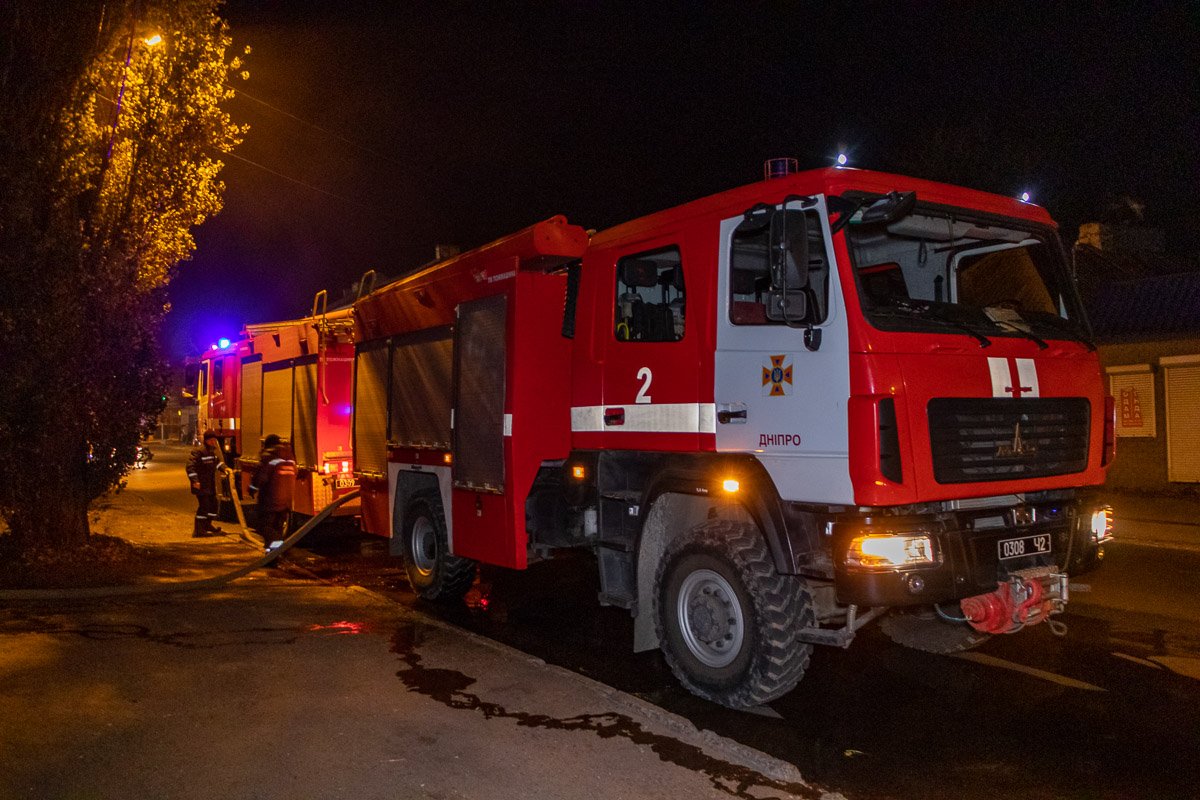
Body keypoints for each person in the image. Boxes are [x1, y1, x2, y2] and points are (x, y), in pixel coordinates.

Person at [249, 434, 297, 551]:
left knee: (264, 527)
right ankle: (272, 555)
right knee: (277, 528)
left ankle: (279, 550)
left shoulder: (268, 457)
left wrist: (252, 489)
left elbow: (260, 477)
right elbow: (295, 474)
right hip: (286, 503)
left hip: (270, 501)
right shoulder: (290, 458)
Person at [186, 431, 224, 537]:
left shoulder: (212, 451)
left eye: (214, 440)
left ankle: (207, 525)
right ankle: (198, 530)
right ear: (207, 440)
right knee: (204, 507)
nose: (214, 442)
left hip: (209, 485)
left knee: (213, 506)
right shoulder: (199, 451)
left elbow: (217, 463)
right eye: (212, 440)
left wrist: (225, 469)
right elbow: (190, 467)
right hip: (201, 485)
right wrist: (195, 481)